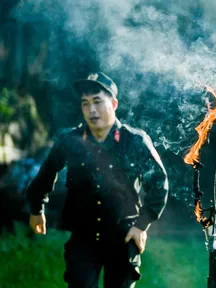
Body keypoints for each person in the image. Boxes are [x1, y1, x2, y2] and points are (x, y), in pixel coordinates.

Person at [26, 71, 169, 288]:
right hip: (83, 238)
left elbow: (159, 184)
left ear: (113, 103)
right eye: (85, 103)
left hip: (123, 236)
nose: (91, 110)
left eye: (97, 102)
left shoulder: (135, 141)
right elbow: (46, 174)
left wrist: (141, 226)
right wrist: (37, 210)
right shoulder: (69, 140)